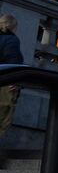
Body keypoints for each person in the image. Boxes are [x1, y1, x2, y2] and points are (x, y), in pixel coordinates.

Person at [0, 13, 21, 143]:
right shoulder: (11, 40)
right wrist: (16, 81)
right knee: (3, 119)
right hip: (5, 84)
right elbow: (13, 62)